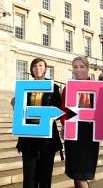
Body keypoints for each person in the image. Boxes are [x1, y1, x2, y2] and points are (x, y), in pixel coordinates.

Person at [60, 56, 103, 188]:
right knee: (74, 174)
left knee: (82, 175)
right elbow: (64, 111)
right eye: (75, 67)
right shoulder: (68, 88)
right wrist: (64, 125)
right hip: (73, 134)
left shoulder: (99, 87)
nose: (78, 70)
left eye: (82, 66)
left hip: (89, 135)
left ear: (88, 69)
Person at [16, 57, 63, 188]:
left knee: (45, 177)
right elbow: (21, 112)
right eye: (35, 66)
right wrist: (16, 104)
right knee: (29, 177)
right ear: (31, 70)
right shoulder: (25, 88)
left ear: (45, 69)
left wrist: (53, 115)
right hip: (29, 137)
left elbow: (59, 108)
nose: (38, 68)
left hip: (47, 139)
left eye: (41, 65)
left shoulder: (53, 87)